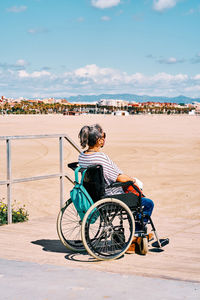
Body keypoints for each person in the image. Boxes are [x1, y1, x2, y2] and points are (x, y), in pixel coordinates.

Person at [78, 124, 154, 253]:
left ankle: (136, 235)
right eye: (103, 136)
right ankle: (136, 237)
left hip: (93, 195)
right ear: (99, 140)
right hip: (110, 195)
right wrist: (134, 180)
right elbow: (119, 178)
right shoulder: (101, 157)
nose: (104, 139)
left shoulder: (82, 156)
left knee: (136, 195)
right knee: (146, 203)